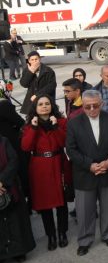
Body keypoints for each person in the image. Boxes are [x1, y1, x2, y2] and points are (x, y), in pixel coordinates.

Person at [66, 90, 108, 256]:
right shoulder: (73, 123)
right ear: (82, 106)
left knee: (107, 207)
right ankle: (85, 240)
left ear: (102, 104)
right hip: (85, 174)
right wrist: (89, 165)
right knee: (84, 210)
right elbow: (71, 150)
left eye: (95, 106)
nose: (92, 109)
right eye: (87, 106)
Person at [21, 95, 71, 251]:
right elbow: (26, 147)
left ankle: (62, 232)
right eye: (41, 104)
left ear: (52, 105)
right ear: (35, 108)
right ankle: (51, 235)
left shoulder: (61, 122)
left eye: (47, 103)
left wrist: (56, 128)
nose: (44, 106)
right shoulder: (29, 126)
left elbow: (65, 142)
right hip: (39, 167)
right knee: (45, 205)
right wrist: (34, 129)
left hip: (58, 163)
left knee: (61, 202)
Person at [0, 134, 36, 263]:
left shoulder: (3, 141)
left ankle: (19, 251)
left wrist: (2, 181)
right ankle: (3, 253)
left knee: (16, 222)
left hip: (9, 186)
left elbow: (13, 160)